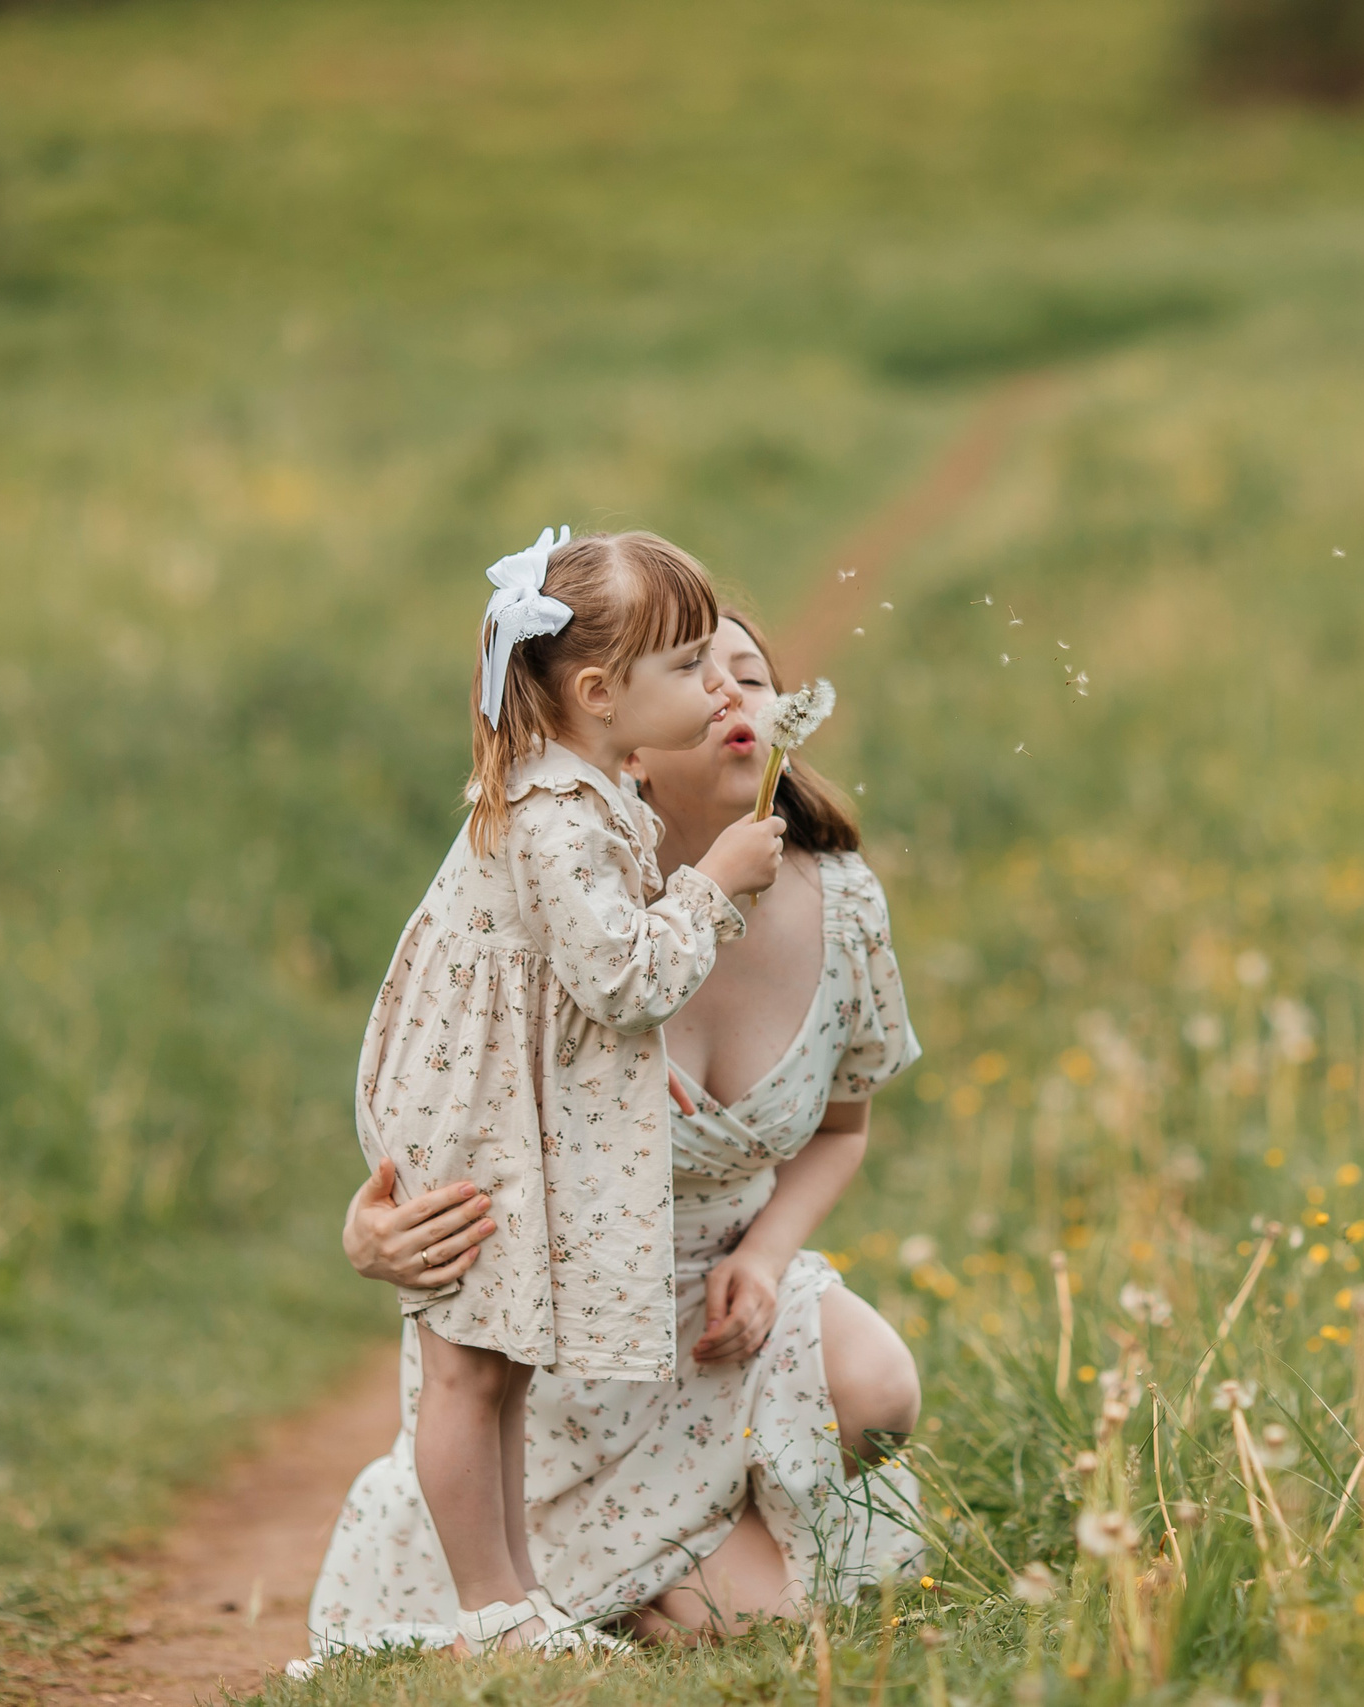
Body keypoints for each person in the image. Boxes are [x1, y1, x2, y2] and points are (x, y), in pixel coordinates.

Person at [310, 609, 923, 1654]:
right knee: (750, 1624)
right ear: (625, 741)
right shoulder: (567, 905)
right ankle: (560, 1583)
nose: (734, 695)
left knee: (876, 1387)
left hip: (717, 1308)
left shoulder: (846, 903)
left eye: (753, 677)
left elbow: (841, 1127)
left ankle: (697, 1536)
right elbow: (450, 1105)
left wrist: (768, 1260)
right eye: (699, 676)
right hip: (569, 1343)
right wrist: (369, 1233)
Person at [352, 527, 787, 1656]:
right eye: (689, 665)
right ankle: (493, 1611)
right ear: (599, 692)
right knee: (467, 1366)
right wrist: (712, 889)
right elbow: (619, 980)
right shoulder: (552, 815)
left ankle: (512, 1603)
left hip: (503, 1091)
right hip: (470, 1102)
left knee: (499, 1361)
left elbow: (577, 1003)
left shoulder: (585, 790)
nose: (717, 684)